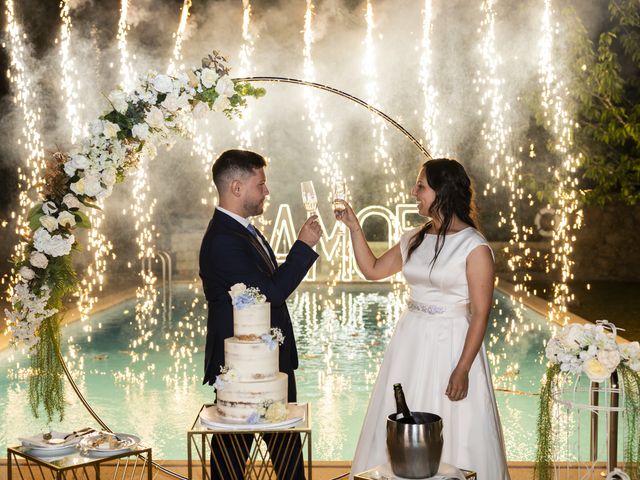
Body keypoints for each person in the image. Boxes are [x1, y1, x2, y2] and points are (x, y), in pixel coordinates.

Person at [336, 159, 510, 479]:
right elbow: (373, 270)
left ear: (442, 191)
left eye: (420, 186)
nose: (413, 192)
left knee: (453, 421)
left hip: (452, 343)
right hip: (410, 341)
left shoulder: (474, 247)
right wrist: (354, 227)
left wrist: (462, 368)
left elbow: (481, 314)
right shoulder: (415, 237)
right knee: (400, 417)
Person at [199, 149, 321, 479]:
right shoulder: (224, 239)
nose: (267, 192)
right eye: (261, 184)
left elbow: (266, 284)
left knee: (285, 452)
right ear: (236, 187)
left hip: (269, 364)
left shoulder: (243, 230)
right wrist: (303, 247)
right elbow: (269, 294)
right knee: (232, 459)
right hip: (243, 370)